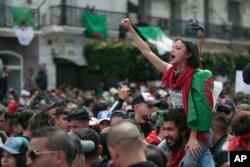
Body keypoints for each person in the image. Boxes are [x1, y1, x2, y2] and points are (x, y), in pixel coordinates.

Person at [121, 18, 214, 166]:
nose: (172, 50)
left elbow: (201, 109)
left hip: (199, 131)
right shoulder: (171, 72)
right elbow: (147, 52)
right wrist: (131, 30)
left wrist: (193, 137)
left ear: (188, 55)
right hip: (179, 128)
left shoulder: (198, 77)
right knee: (154, 155)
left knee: (190, 162)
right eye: (172, 47)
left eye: (177, 48)